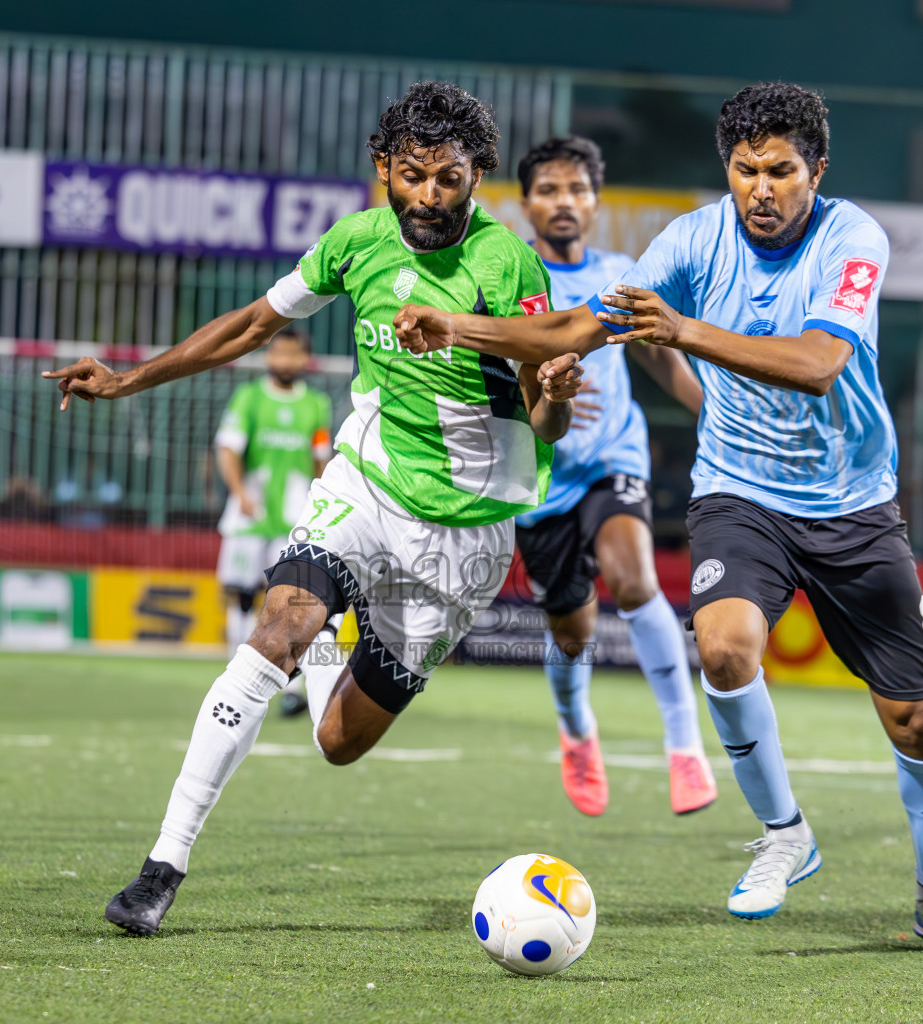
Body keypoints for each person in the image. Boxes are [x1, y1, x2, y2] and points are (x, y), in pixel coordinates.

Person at [394, 82, 923, 955]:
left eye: (781, 171)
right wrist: (456, 326)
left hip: (854, 506)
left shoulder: (853, 238)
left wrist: (683, 332)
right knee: (724, 647)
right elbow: (573, 328)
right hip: (739, 492)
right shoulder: (689, 241)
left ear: (817, 170)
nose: (761, 189)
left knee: (918, 723)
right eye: (746, 171)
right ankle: (785, 835)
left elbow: (819, 364)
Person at [43, 81, 584, 937]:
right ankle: (161, 867)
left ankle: (329, 645)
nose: (429, 197)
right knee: (277, 630)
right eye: (412, 175)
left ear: (477, 175)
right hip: (365, 483)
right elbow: (252, 325)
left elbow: (545, 409)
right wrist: (127, 379)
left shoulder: (507, 264)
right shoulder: (355, 242)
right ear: (383, 167)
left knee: (338, 742)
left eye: (449, 178)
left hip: (467, 539)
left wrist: (554, 394)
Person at [512, 136, 718, 817]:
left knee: (634, 581)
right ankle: (577, 729)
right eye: (548, 190)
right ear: (526, 204)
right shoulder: (509, 278)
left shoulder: (620, 276)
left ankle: (685, 747)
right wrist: (542, 395)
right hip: (541, 475)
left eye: (577, 190)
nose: (563, 202)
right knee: (572, 632)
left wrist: (711, 413)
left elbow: (656, 356)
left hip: (612, 458)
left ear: (596, 203)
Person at [213, 329, 333, 698]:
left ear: (305, 359)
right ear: (269, 355)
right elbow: (228, 449)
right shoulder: (249, 397)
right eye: (279, 352)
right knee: (242, 593)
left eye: (293, 353)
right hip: (251, 515)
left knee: (295, 600)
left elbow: (321, 458)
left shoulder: (316, 404)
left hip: (295, 519)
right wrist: (240, 494)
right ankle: (237, 675)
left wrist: (320, 506)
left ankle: (291, 685)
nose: (285, 360)